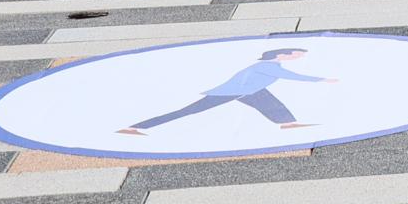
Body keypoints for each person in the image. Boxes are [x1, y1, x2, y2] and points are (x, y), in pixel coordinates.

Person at [116, 47, 333, 135]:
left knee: (272, 104)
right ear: (283, 55)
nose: (298, 58)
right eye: (296, 54)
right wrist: (321, 79)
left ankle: (287, 123)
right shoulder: (267, 66)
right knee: (189, 111)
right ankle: (136, 126)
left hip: (249, 91)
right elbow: (292, 76)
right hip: (232, 92)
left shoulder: (270, 66)